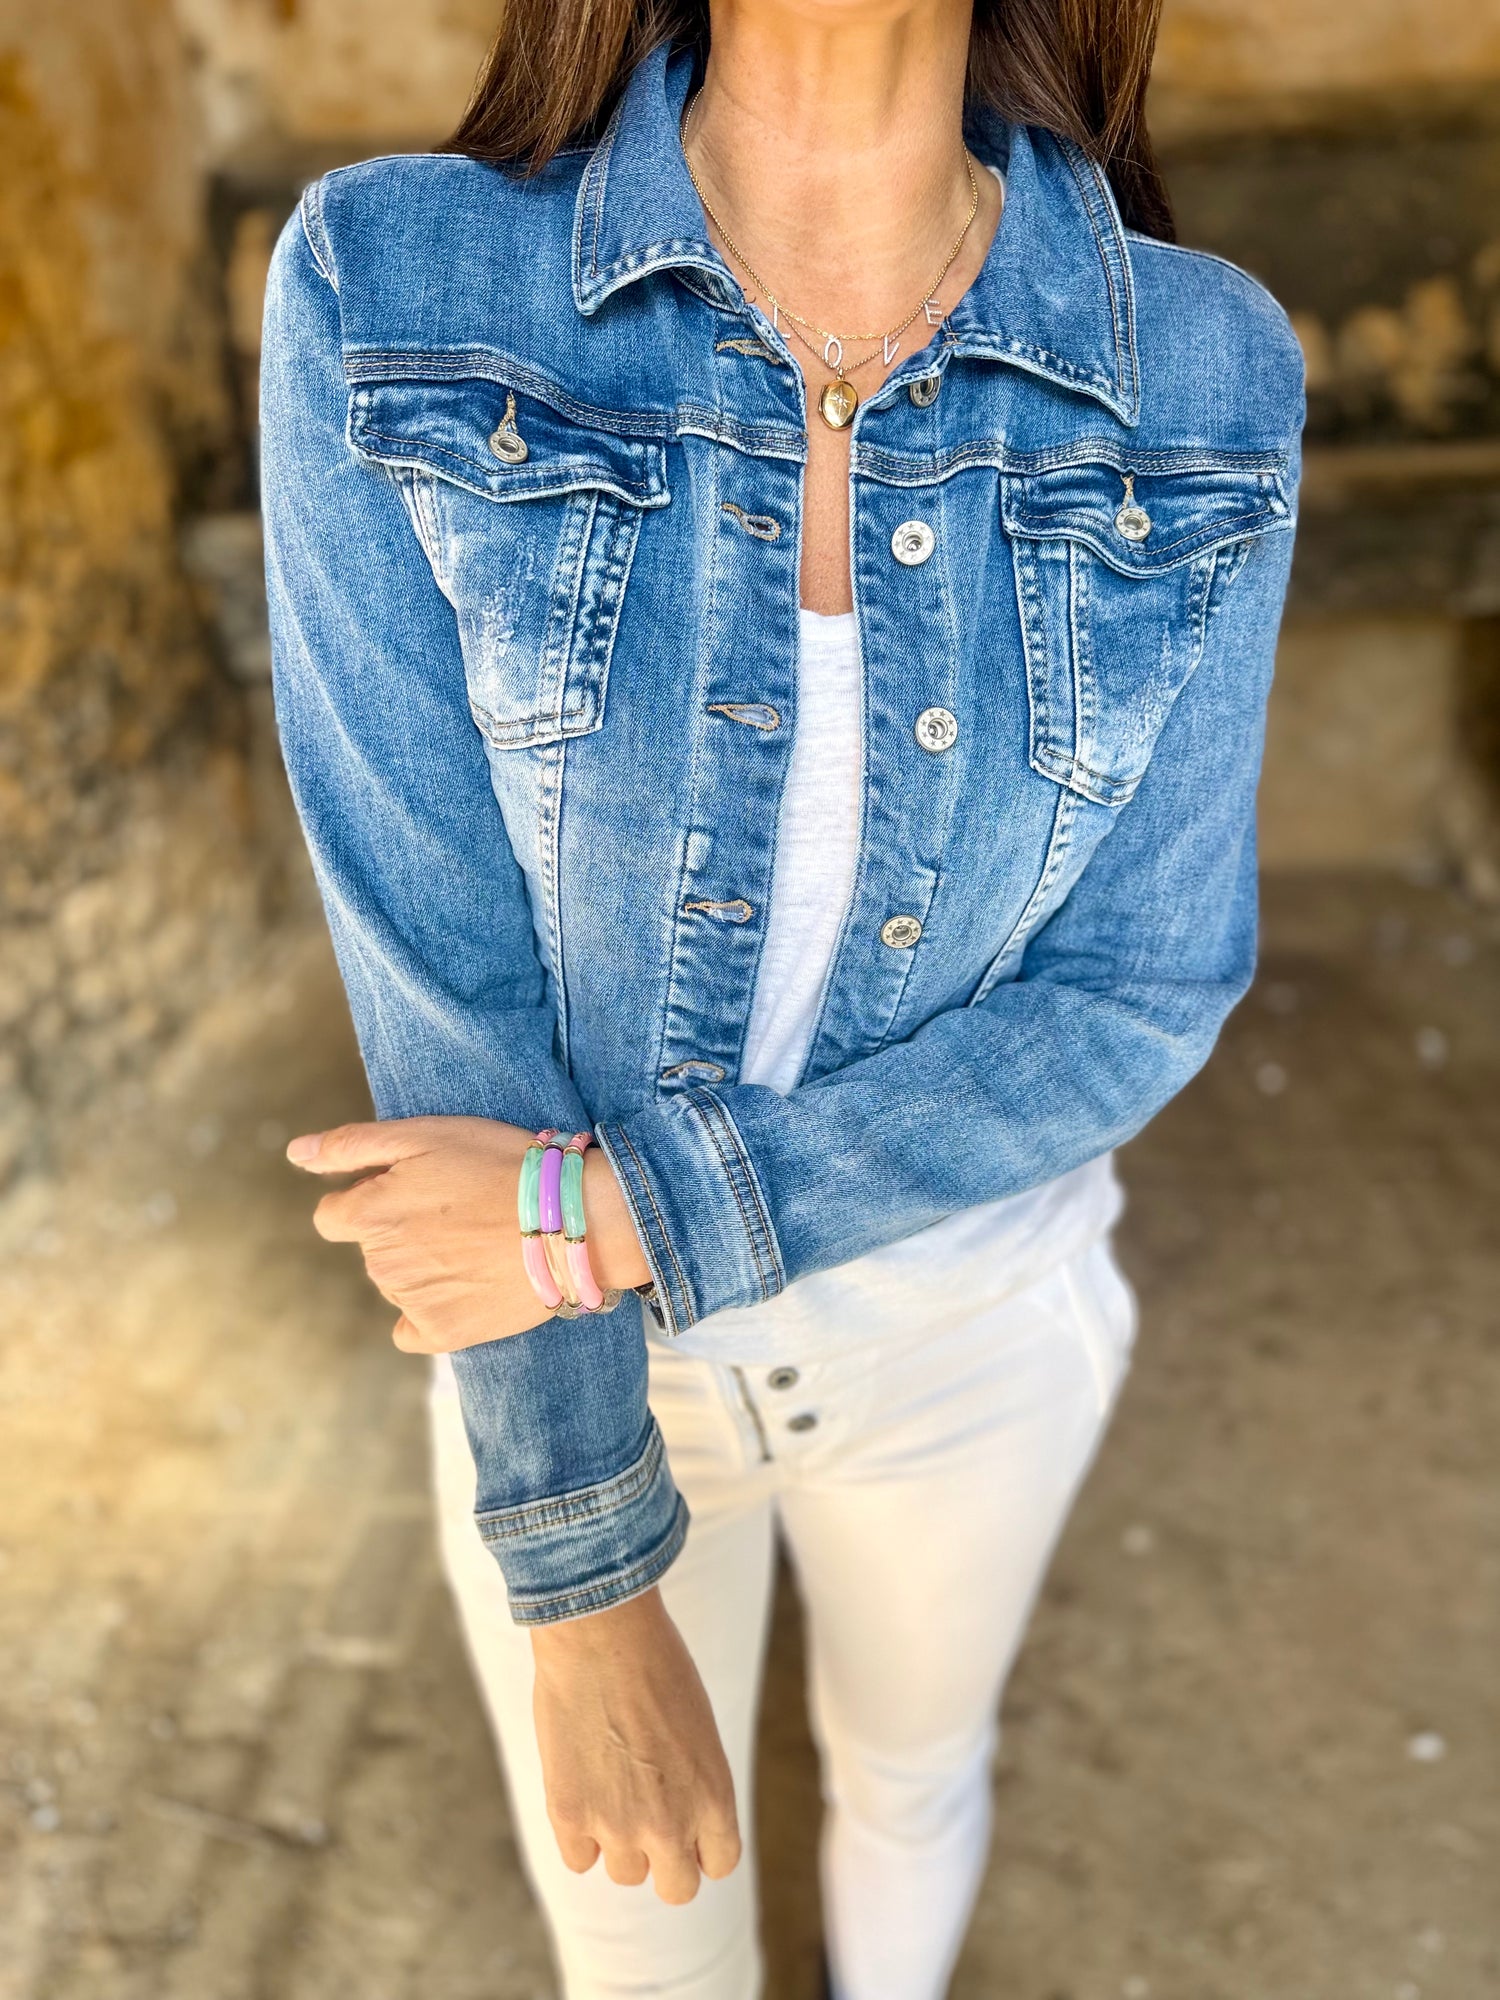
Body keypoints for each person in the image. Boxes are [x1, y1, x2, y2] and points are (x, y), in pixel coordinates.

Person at [260, 0, 1304, 1992]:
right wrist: (580, 1575)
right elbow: (443, 980)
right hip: (580, 1369)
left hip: (971, 1340)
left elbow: (1144, 981)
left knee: (914, 1775)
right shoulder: (395, 291)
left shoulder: (1204, 371)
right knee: (645, 1947)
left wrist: (615, 1216)